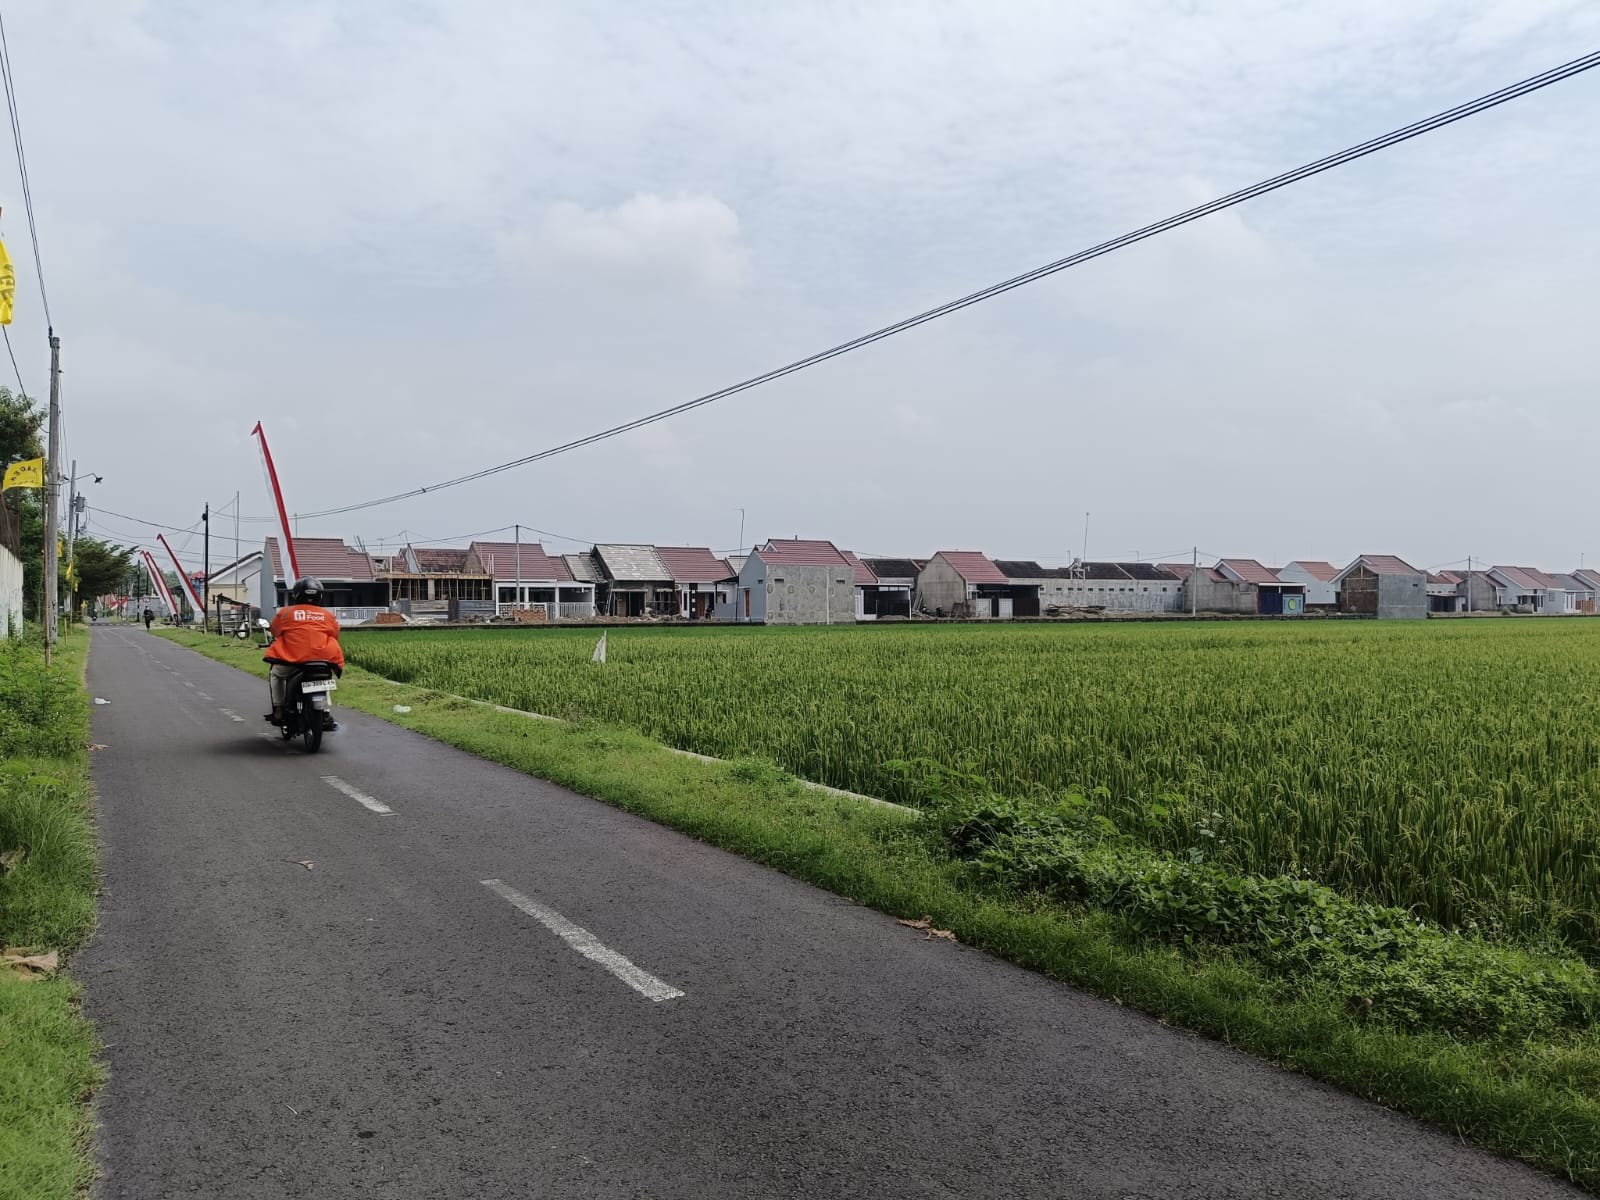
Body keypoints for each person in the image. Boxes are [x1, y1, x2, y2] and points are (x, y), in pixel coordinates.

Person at [263, 577, 344, 725]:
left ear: (296, 595)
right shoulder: (328, 615)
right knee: (324, 680)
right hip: (324, 661)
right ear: (320, 596)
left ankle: (279, 710)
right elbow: (335, 634)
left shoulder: (286, 613)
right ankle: (326, 712)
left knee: (275, 674)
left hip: (293, 660)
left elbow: (275, 631)